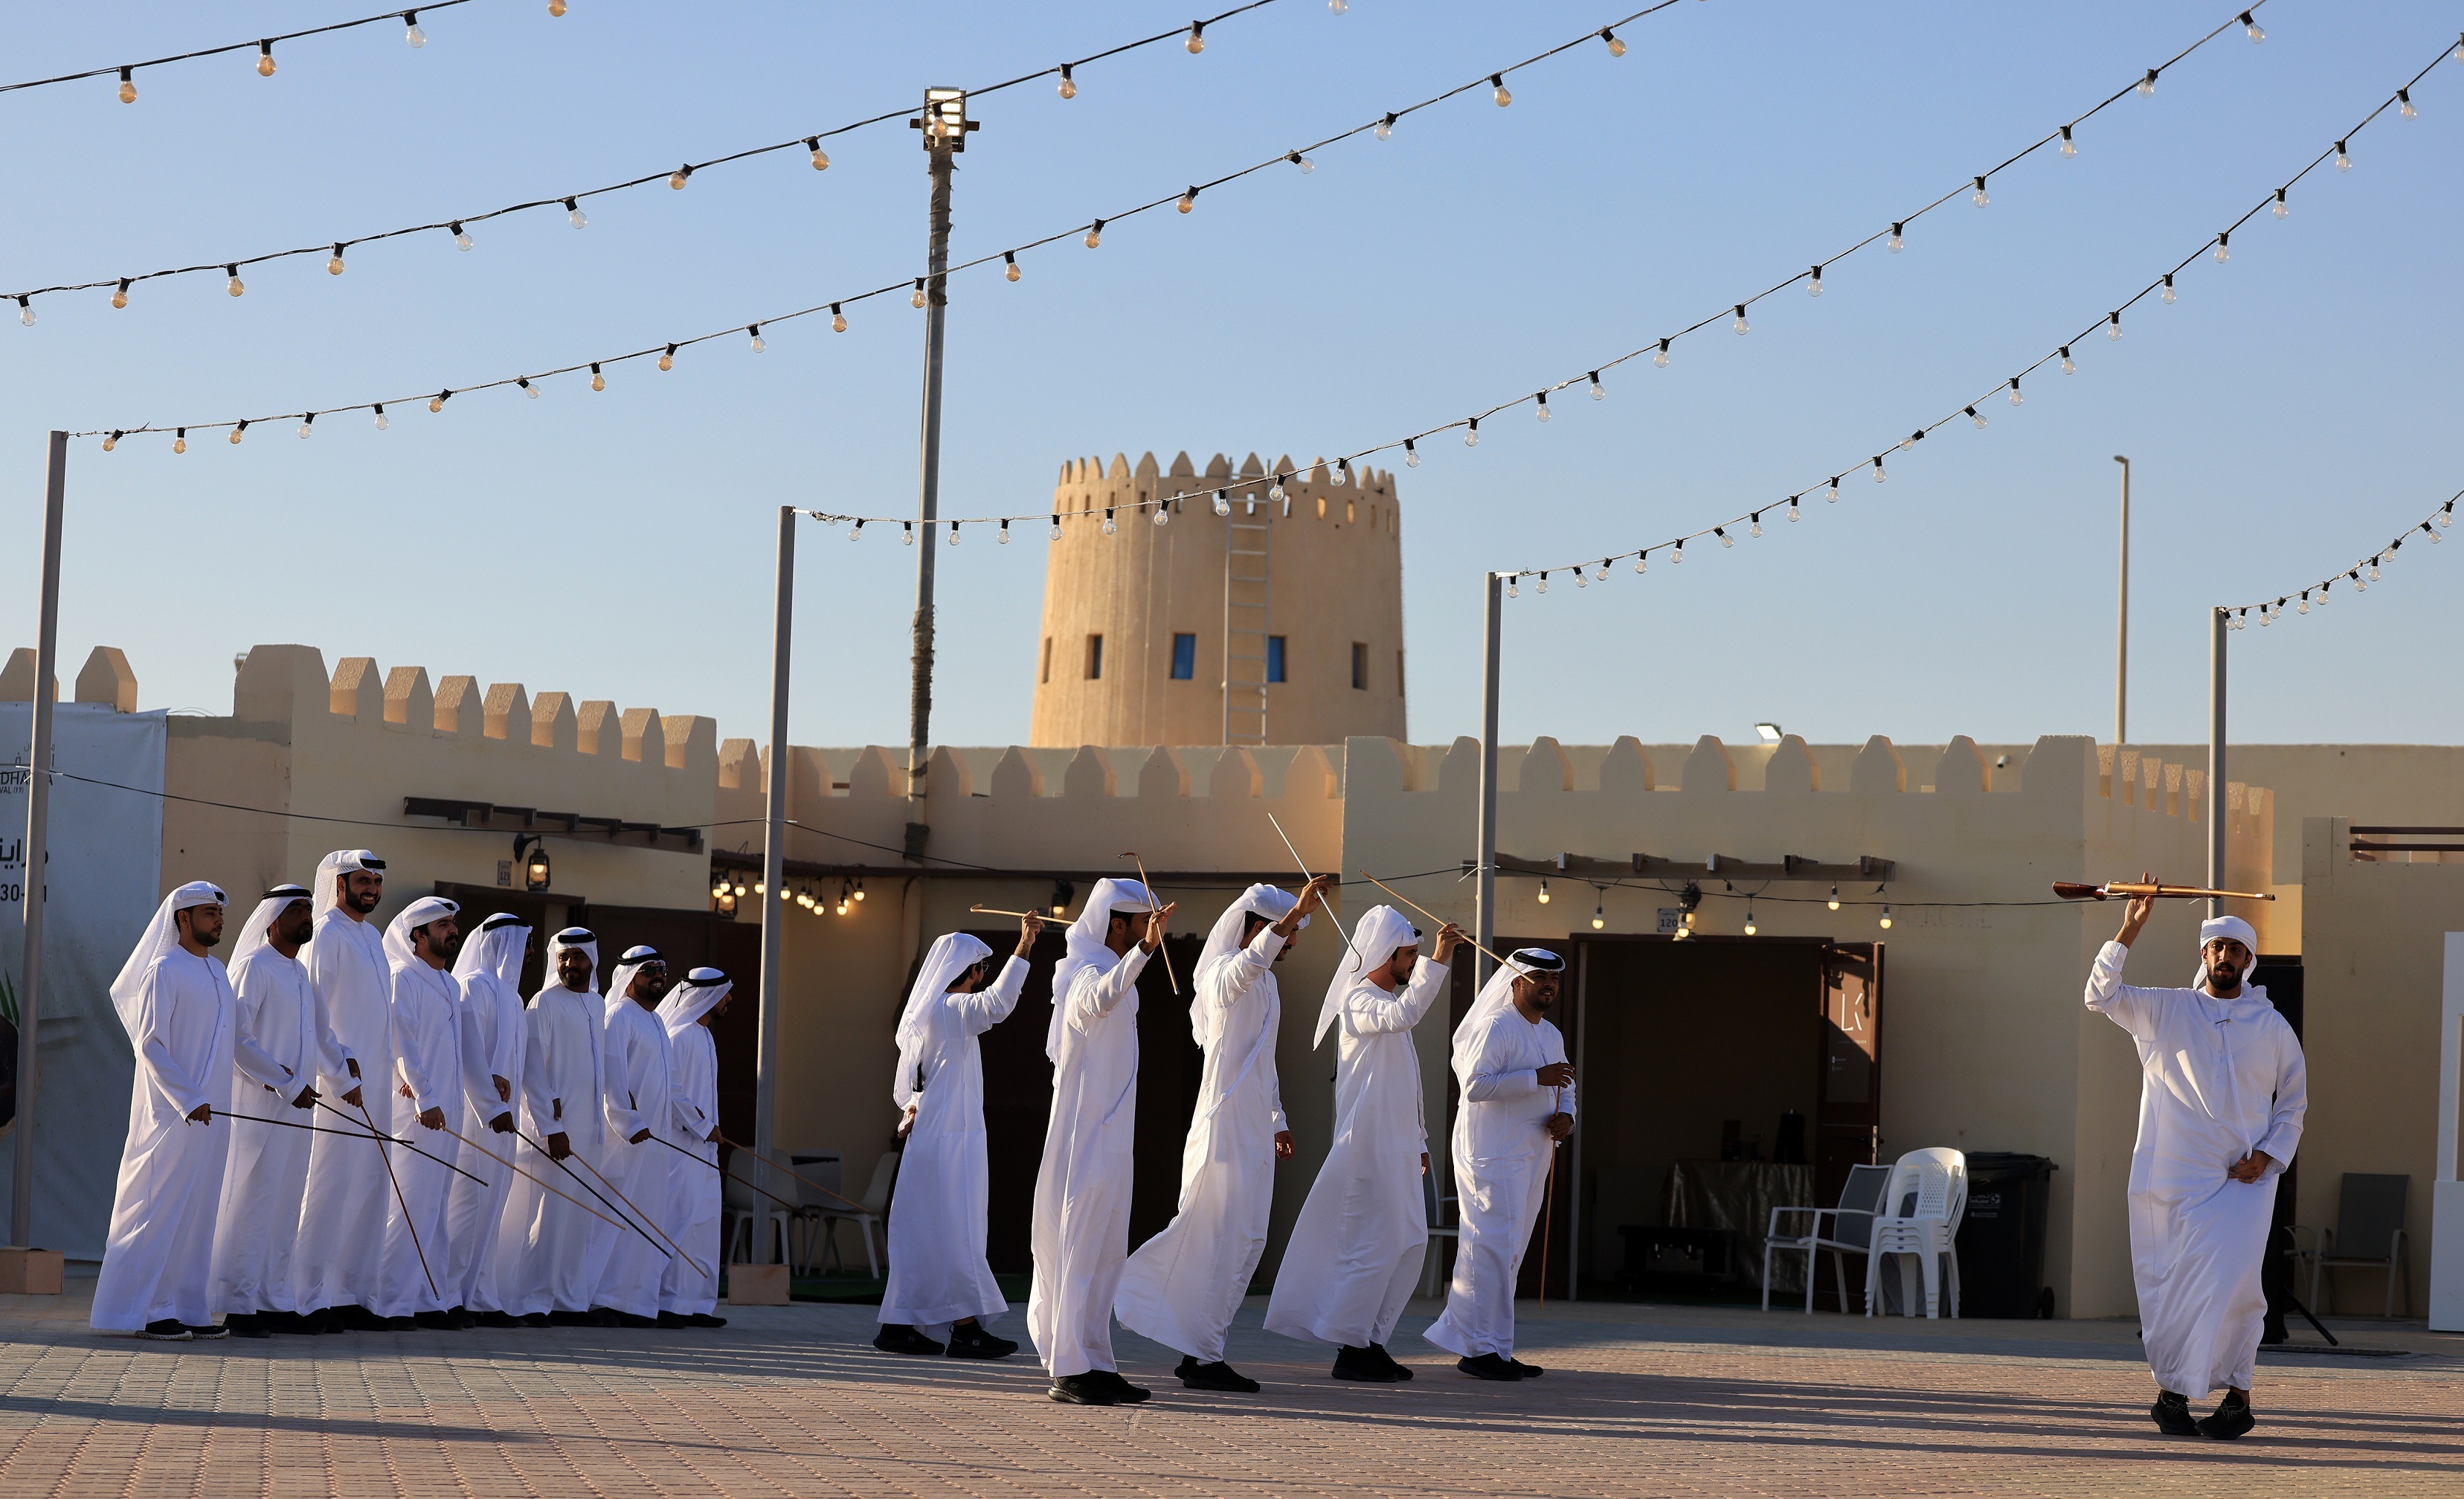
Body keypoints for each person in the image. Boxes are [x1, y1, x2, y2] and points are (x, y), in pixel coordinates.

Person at [2086, 876, 2306, 1440]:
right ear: (2203, 955)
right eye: (2215, 947)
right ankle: (2170, 1396)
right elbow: (2100, 994)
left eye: (2235, 949)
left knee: (2235, 1284)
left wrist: (2268, 1154)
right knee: (2179, 1286)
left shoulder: (2272, 1026)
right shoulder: (2167, 1009)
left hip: (2242, 1180)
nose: (2224, 956)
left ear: (2249, 960)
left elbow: (2294, 1102)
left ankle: (2237, 1397)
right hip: (2174, 1181)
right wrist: (2129, 927)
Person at [1116, 876, 1334, 1392]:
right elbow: (1246, 966)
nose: (1294, 942)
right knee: (1212, 1233)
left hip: (1254, 1125)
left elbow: (1265, 1061)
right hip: (1222, 1124)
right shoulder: (1221, 974)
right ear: (1258, 927)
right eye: (1289, 930)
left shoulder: (1269, 983)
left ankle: (1201, 1349)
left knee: (1245, 1239)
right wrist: (1291, 914)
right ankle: (1173, 1327)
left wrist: (1278, 1120)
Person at [1265, 905, 1462, 1381]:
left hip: (1396, 1149)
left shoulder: (1384, 1003)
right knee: (1370, 1247)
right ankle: (1351, 1348)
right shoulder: (1359, 1002)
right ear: (1383, 955)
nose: (1414, 963)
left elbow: (1407, 1085)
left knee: (1409, 1241)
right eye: (1410, 955)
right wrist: (1439, 958)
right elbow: (1405, 1014)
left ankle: (1370, 1339)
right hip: (1367, 1149)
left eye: (1417, 956)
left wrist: (1417, 1142)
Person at [1029, 878, 1173, 1406]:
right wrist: (1145, 950)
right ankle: (1068, 1364)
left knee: (1107, 1249)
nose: (1147, 932)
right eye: (1140, 924)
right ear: (1118, 923)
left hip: (1113, 1131)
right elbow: (1097, 999)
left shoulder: (1109, 968)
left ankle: (1095, 1358)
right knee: (1080, 1244)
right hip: (1087, 1134)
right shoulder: (1081, 971)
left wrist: (1139, 951)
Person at [875, 915, 1042, 1358]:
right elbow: (999, 1005)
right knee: (955, 1229)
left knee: (926, 1231)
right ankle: (965, 1329)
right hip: (950, 1141)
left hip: (933, 1137)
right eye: (981, 968)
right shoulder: (950, 1010)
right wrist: (1024, 947)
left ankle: (900, 1323)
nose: (982, 975)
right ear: (966, 971)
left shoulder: (930, 1014)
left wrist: (911, 1107)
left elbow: (912, 1084)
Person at [210, 884, 361, 1338]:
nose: (305, 915)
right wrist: (286, 1082)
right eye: (296, 909)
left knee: (285, 1202)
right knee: (254, 1202)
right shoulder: (255, 968)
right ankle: (239, 1303)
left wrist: (345, 1078)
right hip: (261, 1107)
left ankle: (273, 1299)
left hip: (298, 1109)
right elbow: (238, 1040)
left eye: (308, 908)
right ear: (272, 919)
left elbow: (322, 1035)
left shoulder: (299, 973)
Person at [92, 882, 239, 1341]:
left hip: (211, 1118)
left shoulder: (219, 973)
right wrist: (188, 1097)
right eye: (208, 912)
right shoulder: (165, 969)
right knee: (157, 1211)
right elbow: (151, 1045)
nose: (217, 919)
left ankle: (189, 1308)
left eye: (219, 912)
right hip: (171, 1117)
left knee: (198, 1213)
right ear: (182, 918)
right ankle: (142, 1312)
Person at [1422, 948, 1576, 1380]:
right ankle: (1477, 1348)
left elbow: (1566, 1085)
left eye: (1554, 979)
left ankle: (1497, 1348)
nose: (1549, 985)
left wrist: (1568, 1117)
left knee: (1509, 1250)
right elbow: (1474, 1086)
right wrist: (1536, 1079)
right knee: (1488, 1248)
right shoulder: (1495, 1027)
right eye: (1539, 977)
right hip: (1492, 1153)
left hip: (1533, 1153)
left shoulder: (1551, 1034)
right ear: (1516, 982)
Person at [293, 850, 388, 1330]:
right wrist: (340, 1075)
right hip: (339, 1089)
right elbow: (315, 1015)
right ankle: (306, 1296)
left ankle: (348, 1293)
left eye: (375, 880)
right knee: (328, 1188)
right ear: (339, 883)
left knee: (367, 1188)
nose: (371, 888)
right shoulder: (324, 934)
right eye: (362, 880)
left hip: (374, 1089)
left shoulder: (372, 937)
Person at [498, 927, 611, 1327]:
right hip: (555, 1133)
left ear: (593, 961)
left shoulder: (598, 1005)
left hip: (589, 1130)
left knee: (577, 1219)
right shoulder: (543, 1003)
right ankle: (531, 1300)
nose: (569, 965)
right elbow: (532, 1070)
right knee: (546, 1218)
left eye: (577, 957)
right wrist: (550, 1125)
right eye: (563, 957)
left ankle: (568, 1300)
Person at [373, 896, 464, 1329]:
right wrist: (425, 1098)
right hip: (416, 1111)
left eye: (452, 923)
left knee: (435, 1207)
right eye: (442, 924)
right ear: (417, 936)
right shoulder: (401, 977)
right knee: (407, 1205)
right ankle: (390, 1301)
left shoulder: (450, 984)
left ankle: (430, 1298)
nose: (451, 930)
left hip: (448, 1112)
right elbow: (400, 1044)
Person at [445, 912, 529, 1326]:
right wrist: (490, 1103)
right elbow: (468, 1052)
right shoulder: (473, 986)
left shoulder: (513, 998)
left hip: (503, 1120)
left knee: (494, 1204)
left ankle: (480, 1295)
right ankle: (450, 1294)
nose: (527, 952)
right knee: (467, 1204)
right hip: (475, 1119)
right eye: (521, 943)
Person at [597, 946, 676, 1327]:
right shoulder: (618, 1017)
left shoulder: (657, 1021)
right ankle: (607, 1299)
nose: (657, 976)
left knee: (649, 1216)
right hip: (625, 1139)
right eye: (649, 971)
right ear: (629, 977)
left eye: (661, 970)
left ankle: (638, 1302)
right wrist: (629, 1123)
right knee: (620, 1215)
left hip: (654, 1141)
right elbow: (612, 1079)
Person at [655, 966, 732, 1329]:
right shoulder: (679, 1035)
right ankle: (669, 1303)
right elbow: (672, 1093)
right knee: (679, 1219)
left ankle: (697, 1304)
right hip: (681, 1147)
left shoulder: (704, 1036)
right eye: (725, 993)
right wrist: (703, 1126)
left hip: (705, 1150)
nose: (729, 1000)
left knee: (704, 1222)